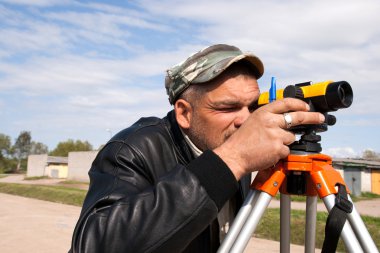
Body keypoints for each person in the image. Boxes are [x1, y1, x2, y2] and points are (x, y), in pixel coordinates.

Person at [69, 44, 324, 253]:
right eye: (227, 108)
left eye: (252, 106)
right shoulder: (132, 150)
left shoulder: (228, 145)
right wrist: (232, 159)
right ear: (184, 113)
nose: (246, 121)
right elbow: (93, 245)